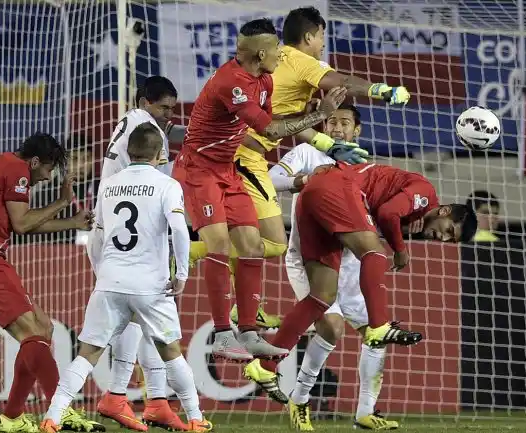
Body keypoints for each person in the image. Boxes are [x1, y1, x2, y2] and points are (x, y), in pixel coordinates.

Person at [172, 17, 348, 361]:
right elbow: (269, 132)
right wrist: (320, 115)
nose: (282, 55)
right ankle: (223, 335)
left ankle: (249, 332)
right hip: (198, 170)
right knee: (219, 244)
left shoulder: (265, 79)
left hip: (227, 170)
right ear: (261, 53)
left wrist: (306, 111)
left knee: (252, 246)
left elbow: (275, 124)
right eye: (277, 50)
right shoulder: (231, 82)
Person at [229, 6, 412, 327]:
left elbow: (282, 121)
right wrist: (381, 90)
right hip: (240, 155)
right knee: (267, 242)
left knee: (265, 240)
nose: (324, 42)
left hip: (246, 155)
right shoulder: (301, 62)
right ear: (309, 36)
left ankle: (241, 304)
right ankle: (203, 264)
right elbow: (343, 81)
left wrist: (326, 142)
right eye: (322, 36)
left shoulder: (276, 63)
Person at [245, 160, 477, 404]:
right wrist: (400, 249)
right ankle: (378, 326)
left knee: (321, 297)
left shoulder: (413, 215)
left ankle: (265, 366)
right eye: (449, 231)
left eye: (450, 240)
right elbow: (388, 212)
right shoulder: (425, 193)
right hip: (336, 187)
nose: (443, 239)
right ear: (444, 211)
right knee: (374, 252)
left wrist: (399, 226)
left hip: (314, 199)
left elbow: (380, 214)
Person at [40, 124, 212, 433]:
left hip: (110, 280)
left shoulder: (108, 184)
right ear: (160, 153)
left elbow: (98, 234)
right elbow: (179, 230)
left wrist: (104, 271)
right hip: (150, 284)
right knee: (171, 352)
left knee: (87, 355)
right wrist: (181, 274)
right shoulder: (167, 184)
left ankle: (52, 417)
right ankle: (196, 418)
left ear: (129, 152)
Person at [0, 133, 103, 433]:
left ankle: (12, 418)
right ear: (34, 161)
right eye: (48, 169)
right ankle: (61, 411)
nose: (47, 177)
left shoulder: (0, 163)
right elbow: (22, 223)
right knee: (33, 332)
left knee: (43, 328)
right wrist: (62, 202)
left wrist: (72, 222)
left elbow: (23, 224)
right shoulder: (16, 170)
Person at [265, 104, 399, 430]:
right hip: (311, 260)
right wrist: (305, 180)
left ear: (357, 130)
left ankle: (365, 412)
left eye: (344, 123)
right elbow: (270, 179)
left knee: (376, 334)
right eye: (332, 122)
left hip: (351, 264)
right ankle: (299, 400)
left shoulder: (363, 165)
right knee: (332, 327)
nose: (337, 128)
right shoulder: (307, 152)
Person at [96, 76, 193, 431]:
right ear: (144, 102)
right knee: (139, 312)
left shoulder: (134, 122)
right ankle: (117, 394)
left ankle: (156, 401)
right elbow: (162, 175)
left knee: (144, 315)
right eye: (163, 107)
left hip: (116, 229)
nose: (168, 114)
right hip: (128, 234)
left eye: (172, 108)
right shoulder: (148, 131)